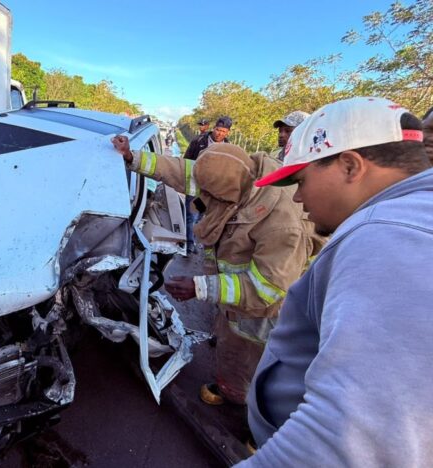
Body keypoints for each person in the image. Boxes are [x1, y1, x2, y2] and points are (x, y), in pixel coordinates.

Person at [240, 97, 433, 466]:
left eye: (301, 180)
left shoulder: (390, 233)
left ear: (349, 166)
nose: (297, 198)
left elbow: (351, 444)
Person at [110, 135, 322, 411]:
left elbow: (267, 290)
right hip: (235, 301)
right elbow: (184, 172)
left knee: (256, 360)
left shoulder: (281, 227)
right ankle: (231, 388)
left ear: (229, 196)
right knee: (230, 342)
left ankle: (255, 421)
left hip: (266, 312)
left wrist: (200, 287)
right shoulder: (238, 173)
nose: (203, 199)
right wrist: (132, 158)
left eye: (211, 196)